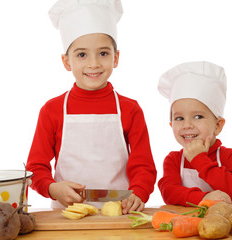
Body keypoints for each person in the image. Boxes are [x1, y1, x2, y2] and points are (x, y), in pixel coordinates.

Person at [26, 0, 157, 214]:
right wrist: (52, 188)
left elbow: (143, 165)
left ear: (116, 58)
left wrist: (139, 192)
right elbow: (35, 167)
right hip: (66, 214)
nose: (94, 63)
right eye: (82, 54)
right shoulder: (52, 110)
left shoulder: (130, 109)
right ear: (67, 62)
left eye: (103, 53)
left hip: (121, 212)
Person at [157, 61, 232, 206]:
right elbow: (169, 193)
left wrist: (199, 159)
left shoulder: (230, 156)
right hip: (186, 225)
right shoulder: (173, 160)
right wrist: (205, 198)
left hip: (223, 226)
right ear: (171, 125)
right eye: (179, 118)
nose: (187, 125)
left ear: (218, 125)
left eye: (198, 116)